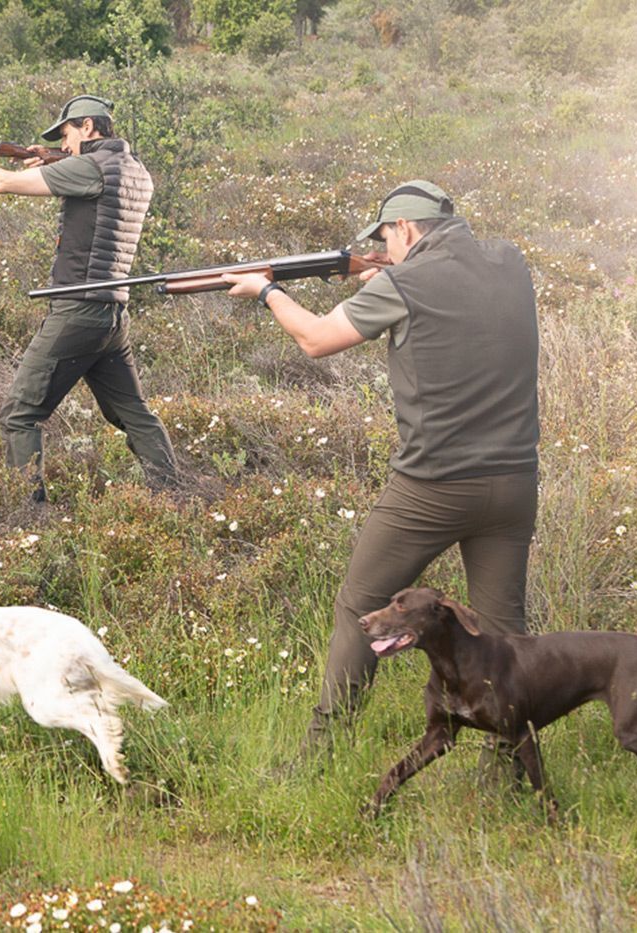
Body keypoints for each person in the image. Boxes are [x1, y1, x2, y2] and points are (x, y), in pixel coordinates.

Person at [221, 180, 540, 761]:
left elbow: (316, 339)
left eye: (387, 238)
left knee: (361, 606)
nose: (384, 249)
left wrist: (267, 291)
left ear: (407, 230)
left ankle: (319, 757)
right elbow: (460, 305)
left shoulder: (405, 280)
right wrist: (386, 282)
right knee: (499, 632)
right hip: (516, 482)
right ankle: (510, 772)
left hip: (433, 485)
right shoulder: (510, 261)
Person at [0, 95, 178, 502]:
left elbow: (1, 182)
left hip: (78, 311)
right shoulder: (136, 169)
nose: (64, 143)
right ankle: (174, 493)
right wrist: (56, 161)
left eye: (67, 134)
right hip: (112, 315)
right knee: (134, 415)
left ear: (88, 127)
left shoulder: (90, 167)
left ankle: (28, 515)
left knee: (19, 416)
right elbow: (99, 192)